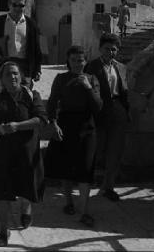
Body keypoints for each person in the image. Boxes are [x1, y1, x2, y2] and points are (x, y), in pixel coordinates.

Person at [0, 61, 47, 246]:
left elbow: (40, 119)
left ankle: (26, 209)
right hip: (2, 154)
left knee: (26, 187)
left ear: (21, 76)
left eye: (15, 73)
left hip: (26, 152)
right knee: (2, 192)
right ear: (1, 79)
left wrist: (17, 126)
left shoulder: (32, 96)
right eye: (8, 74)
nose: (13, 77)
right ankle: (3, 230)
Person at [45, 45, 103, 228]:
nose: (78, 64)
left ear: (85, 62)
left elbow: (98, 106)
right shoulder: (61, 79)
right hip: (66, 125)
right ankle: (69, 201)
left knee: (86, 169)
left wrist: (87, 88)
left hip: (87, 126)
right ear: (68, 62)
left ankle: (85, 210)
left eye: (81, 60)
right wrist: (53, 123)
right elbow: (53, 102)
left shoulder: (92, 79)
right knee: (67, 167)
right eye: (74, 60)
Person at [84, 33, 129, 202]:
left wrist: (126, 111)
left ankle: (109, 186)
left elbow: (124, 90)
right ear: (100, 49)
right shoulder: (91, 67)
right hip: (99, 111)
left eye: (114, 49)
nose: (110, 52)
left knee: (115, 150)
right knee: (97, 149)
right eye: (107, 49)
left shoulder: (121, 68)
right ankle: (88, 184)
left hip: (118, 109)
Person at [0, 0, 42, 96]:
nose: (18, 8)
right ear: (9, 5)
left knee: (24, 97)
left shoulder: (31, 25)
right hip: (2, 64)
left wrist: (37, 69)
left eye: (21, 5)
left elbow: (36, 48)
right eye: (15, 5)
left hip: (24, 66)